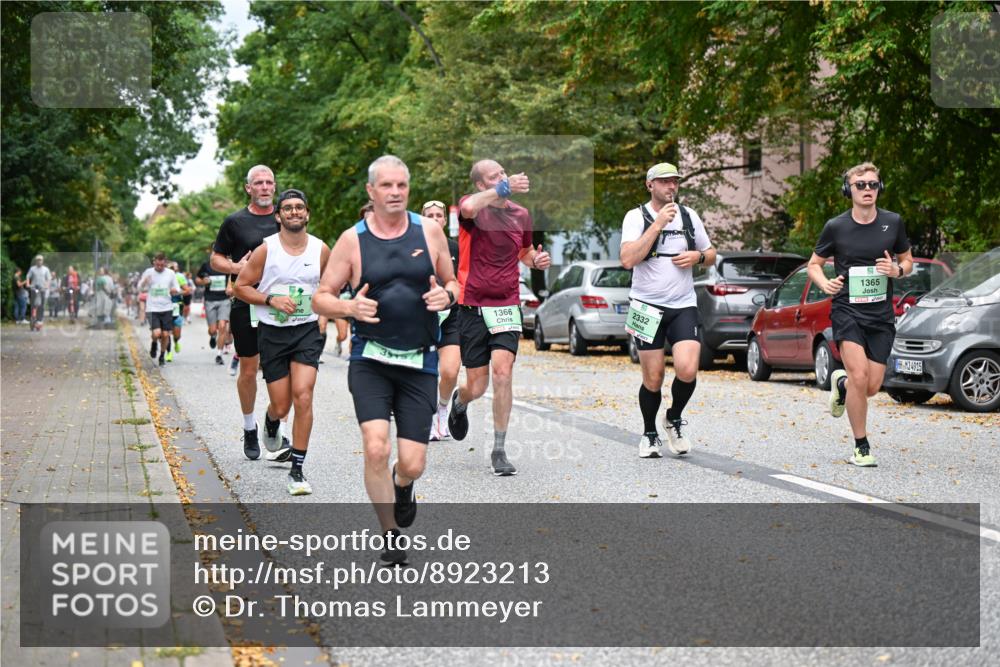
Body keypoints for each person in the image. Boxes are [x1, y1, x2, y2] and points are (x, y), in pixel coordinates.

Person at [312, 155, 458, 564]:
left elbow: (453, 281)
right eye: (387, 186)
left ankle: (403, 484)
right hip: (371, 360)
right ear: (371, 191)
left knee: (412, 463)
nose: (395, 193)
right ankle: (390, 532)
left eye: (402, 186)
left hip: (419, 360)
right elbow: (320, 296)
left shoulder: (429, 232)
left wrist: (446, 295)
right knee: (375, 448)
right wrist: (348, 310)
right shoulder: (351, 240)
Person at [446, 160, 551, 476]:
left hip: (506, 303)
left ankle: (499, 448)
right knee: (477, 386)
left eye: (504, 174)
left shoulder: (521, 214)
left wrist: (536, 260)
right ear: (481, 185)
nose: (504, 179)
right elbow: (467, 208)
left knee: (503, 372)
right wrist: (500, 190)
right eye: (494, 177)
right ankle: (461, 400)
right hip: (473, 305)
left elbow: (524, 251)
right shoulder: (475, 209)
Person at [809, 162, 913, 467]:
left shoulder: (893, 223)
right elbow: (814, 264)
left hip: (880, 315)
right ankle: (861, 445)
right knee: (859, 374)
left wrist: (897, 270)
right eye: (860, 185)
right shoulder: (836, 226)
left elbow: (907, 262)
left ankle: (840, 386)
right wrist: (824, 283)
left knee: (870, 386)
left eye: (872, 184)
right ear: (849, 190)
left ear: (879, 188)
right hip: (847, 310)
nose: (867, 189)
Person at [234, 189, 331, 495]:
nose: (293, 212)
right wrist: (271, 299)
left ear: (307, 214)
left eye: (299, 207)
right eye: (287, 208)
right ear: (278, 216)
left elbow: (329, 287)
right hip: (273, 332)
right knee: (282, 403)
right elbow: (241, 287)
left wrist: (326, 313)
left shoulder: (320, 249)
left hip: (306, 330)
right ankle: (271, 419)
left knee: (303, 395)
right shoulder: (266, 250)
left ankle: (298, 470)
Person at [619, 162, 716, 459]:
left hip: (683, 303)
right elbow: (627, 259)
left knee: (687, 369)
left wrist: (697, 256)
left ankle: (673, 418)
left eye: (674, 182)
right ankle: (649, 433)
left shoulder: (689, 216)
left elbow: (711, 254)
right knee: (653, 377)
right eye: (664, 182)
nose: (671, 187)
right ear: (650, 185)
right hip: (646, 306)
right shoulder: (636, 217)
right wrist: (658, 224)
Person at [211, 164, 280, 459]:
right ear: (248, 188)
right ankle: (250, 427)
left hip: (281, 304)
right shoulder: (235, 222)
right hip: (247, 304)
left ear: (274, 187)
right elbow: (216, 258)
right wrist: (236, 268)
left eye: (269, 182)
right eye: (258, 183)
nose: (264, 187)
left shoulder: (285, 218)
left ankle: (277, 427)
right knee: (250, 369)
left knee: (281, 371)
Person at [421, 200, 461, 441]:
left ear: (445, 221)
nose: (435, 219)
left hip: (450, 317)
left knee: (449, 370)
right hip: (420, 317)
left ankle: (443, 410)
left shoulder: (456, 248)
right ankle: (423, 416)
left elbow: (461, 280)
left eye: (439, 215)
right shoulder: (411, 247)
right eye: (430, 215)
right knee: (423, 374)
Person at [137, 253, 180, 367]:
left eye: (162, 264)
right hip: (152, 308)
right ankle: (154, 343)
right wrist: (144, 282)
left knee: (165, 335)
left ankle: (162, 355)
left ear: (165, 263)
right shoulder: (148, 272)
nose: (160, 267)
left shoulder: (170, 273)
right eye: (157, 264)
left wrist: (175, 290)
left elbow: (177, 287)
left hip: (167, 307)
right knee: (157, 333)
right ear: (154, 262)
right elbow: (139, 287)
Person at [197, 254, 233, 365]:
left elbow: (234, 277)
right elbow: (197, 279)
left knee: (222, 326)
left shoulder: (227, 266)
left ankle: (219, 354)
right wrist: (203, 282)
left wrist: (230, 286)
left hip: (224, 300)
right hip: (210, 300)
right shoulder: (206, 266)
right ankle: (213, 336)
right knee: (212, 330)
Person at [25, 255, 51, 331]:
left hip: (42, 289)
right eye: (38, 260)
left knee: (41, 305)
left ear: (42, 261)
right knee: (33, 304)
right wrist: (27, 283)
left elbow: (48, 278)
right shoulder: (32, 269)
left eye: (40, 260)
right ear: (36, 261)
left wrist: (47, 285)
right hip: (34, 288)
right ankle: (33, 317)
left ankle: (40, 320)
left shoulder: (45, 269)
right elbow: (28, 276)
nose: (39, 261)